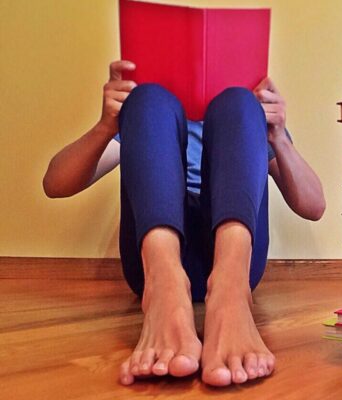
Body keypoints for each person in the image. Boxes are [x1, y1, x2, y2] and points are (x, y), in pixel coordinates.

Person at [42, 60, 326, 387]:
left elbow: (314, 206)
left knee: (239, 104)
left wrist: (278, 137)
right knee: (148, 100)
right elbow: (55, 184)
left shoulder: (243, 122)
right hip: (155, 260)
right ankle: (165, 288)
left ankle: (231, 292)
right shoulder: (150, 121)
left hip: (232, 256)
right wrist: (107, 126)